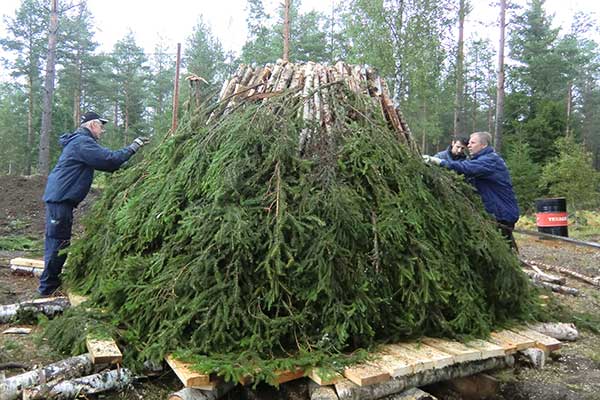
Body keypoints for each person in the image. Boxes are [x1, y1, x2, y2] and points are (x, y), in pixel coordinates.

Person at [38, 111, 150, 296]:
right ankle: (46, 290)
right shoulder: (82, 143)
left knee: (58, 242)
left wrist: (133, 167)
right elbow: (109, 161)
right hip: (60, 201)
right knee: (58, 243)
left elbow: (109, 164)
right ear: (91, 125)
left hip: (60, 200)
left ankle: (50, 284)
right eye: (101, 126)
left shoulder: (80, 143)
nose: (103, 131)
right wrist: (133, 147)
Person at [422, 131, 519, 248]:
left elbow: (466, 168)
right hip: (495, 214)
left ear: (483, 145)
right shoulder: (480, 159)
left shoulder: (490, 160)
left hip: (501, 215)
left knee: (500, 249)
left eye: (472, 142)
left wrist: (438, 162)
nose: (468, 145)